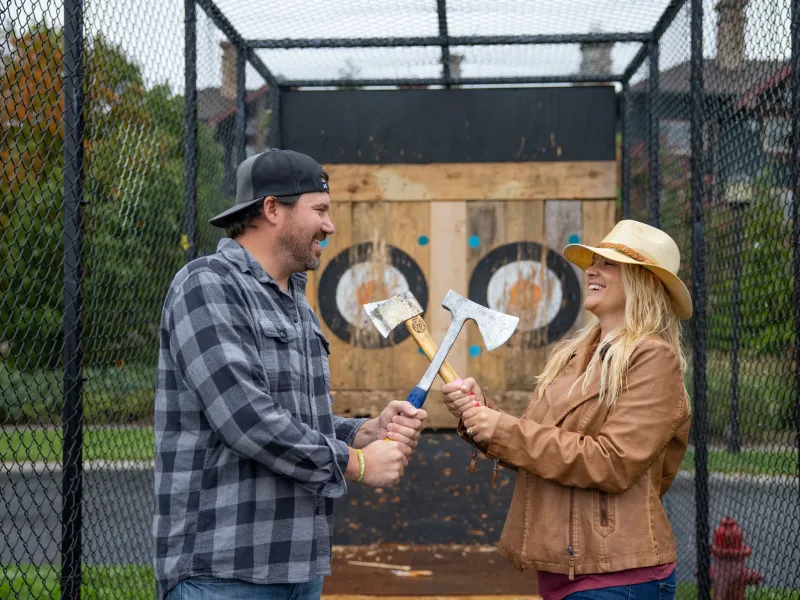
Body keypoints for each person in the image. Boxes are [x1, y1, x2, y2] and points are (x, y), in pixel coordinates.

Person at [153, 149, 427, 600]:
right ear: (272, 209)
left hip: (298, 567)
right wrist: (354, 464)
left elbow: (293, 415)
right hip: (223, 571)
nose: (329, 225)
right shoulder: (206, 284)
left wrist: (362, 431)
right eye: (319, 210)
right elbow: (246, 419)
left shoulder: (296, 302)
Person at [441, 220, 691, 600]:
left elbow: (613, 461)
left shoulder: (653, 358)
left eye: (610, 264)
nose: (592, 269)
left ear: (648, 282)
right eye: (594, 261)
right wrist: (480, 414)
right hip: (562, 569)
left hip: (618, 574)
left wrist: (504, 428)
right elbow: (537, 446)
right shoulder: (571, 355)